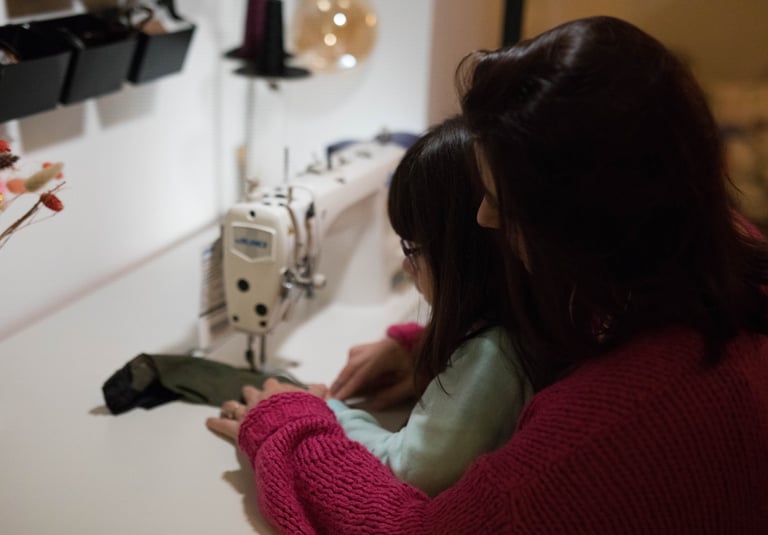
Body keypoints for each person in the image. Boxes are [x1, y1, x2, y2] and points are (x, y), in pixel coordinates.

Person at [206, 16, 768, 533]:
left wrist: (294, 425)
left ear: (583, 222)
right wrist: (431, 344)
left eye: (504, 202)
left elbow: (414, 529)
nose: (483, 218)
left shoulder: (606, 435)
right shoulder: (727, 250)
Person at [210, 116, 533, 498]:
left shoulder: (490, 355)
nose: (404, 266)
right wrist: (422, 351)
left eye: (414, 250)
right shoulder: (519, 326)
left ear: (466, 257)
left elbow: (409, 470)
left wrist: (325, 410)